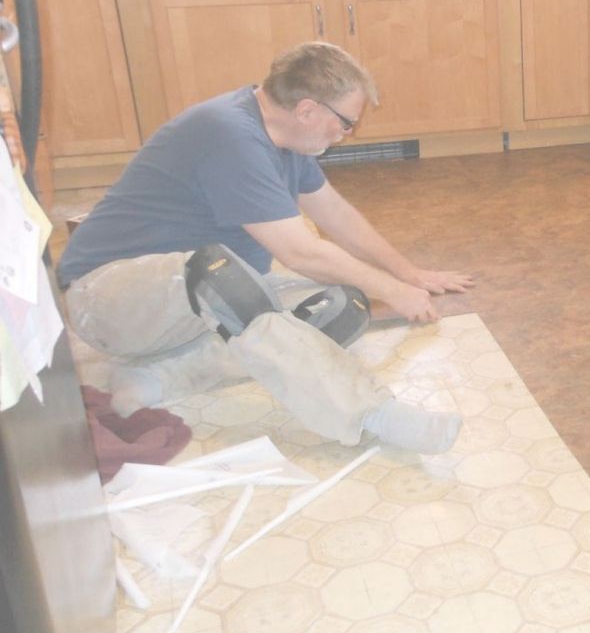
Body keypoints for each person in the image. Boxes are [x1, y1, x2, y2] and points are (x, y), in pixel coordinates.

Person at [58, 42, 473, 454]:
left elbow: (335, 215)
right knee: (221, 274)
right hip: (108, 302)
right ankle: (374, 415)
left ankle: (162, 376)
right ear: (307, 110)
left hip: (188, 308)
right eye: (346, 123)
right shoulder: (227, 134)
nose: (345, 135)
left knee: (341, 306)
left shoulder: (284, 138)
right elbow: (301, 253)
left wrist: (407, 274)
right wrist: (394, 291)